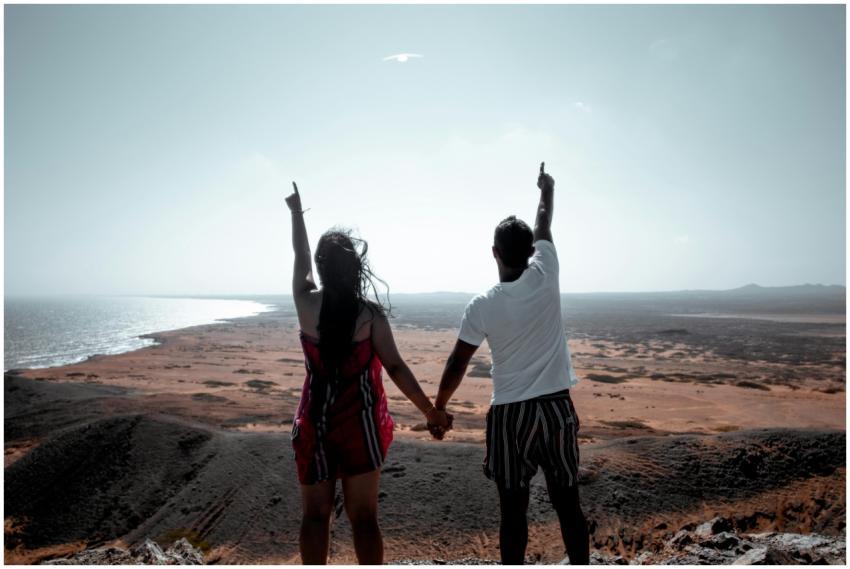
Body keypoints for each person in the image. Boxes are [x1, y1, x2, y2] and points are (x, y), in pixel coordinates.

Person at [285, 182, 452, 564]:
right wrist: (431, 412)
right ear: (355, 268)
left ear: (324, 269)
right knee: (364, 519)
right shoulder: (370, 316)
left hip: (316, 423)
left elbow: (301, 256)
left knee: (314, 517)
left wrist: (296, 213)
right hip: (361, 427)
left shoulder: (306, 303)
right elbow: (395, 366)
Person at [431, 163, 589, 564]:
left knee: (512, 512)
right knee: (567, 503)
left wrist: (439, 406)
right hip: (556, 407)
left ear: (494, 254)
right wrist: (547, 189)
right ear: (531, 251)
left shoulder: (482, 306)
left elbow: (457, 362)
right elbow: (542, 222)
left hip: (509, 416)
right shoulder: (546, 271)